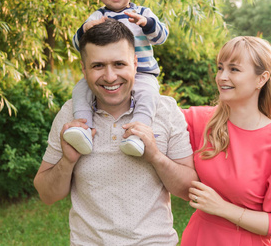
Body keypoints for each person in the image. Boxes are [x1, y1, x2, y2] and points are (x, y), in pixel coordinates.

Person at [34, 20, 197, 245]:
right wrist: (67, 161)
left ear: (135, 63)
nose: (110, 77)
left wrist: (156, 157)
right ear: (84, 69)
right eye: (98, 66)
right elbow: (46, 194)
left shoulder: (165, 111)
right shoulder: (70, 115)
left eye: (119, 64)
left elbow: (189, 190)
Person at [180, 36, 271, 245]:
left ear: (261, 79)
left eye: (234, 69)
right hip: (197, 238)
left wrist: (222, 208)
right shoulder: (198, 120)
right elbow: (155, 114)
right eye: (220, 68)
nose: (222, 77)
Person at [63, 0, 168, 157]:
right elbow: (79, 46)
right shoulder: (98, 16)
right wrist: (85, 29)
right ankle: (83, 129)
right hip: (108, 74)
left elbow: (162, 37)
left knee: (148, 97)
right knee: (80, 90)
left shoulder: (143, 13)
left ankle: (137, 134)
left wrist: (147, 24)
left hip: (143, 74)